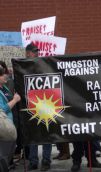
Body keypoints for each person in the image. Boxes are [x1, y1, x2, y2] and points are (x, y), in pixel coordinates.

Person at [25, 43, 52, 171]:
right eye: (34, 51)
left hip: (46, 104)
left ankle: (46, 160)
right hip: (31, 106)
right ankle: (33, 161)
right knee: (33, 135)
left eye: (37, 51)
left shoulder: (43, 64)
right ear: (28, 53)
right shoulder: (23, 66)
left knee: (46, 134)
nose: (36, 53)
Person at [0, 61, 21, 170]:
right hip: (2, 128)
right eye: (2, 74)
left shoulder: (4, 88)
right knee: (3, 157)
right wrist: (15, 100)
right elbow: (1, 110)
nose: (5, 75)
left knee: (7, 156)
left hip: (10, 124)